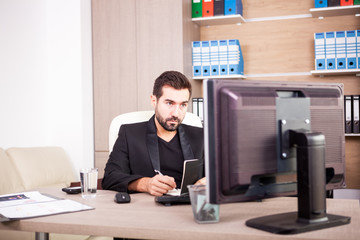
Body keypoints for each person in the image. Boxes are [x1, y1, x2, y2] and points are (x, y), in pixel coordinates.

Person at [102, 71, 204, 196]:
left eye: (183, 105)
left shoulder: (201, 136)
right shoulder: (129, 134)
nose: (176, 113)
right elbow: (110, 178)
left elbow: (225, 175)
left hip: (189, 209)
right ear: (154, 100)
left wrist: (212, 181)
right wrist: (145, 184)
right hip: (147, 209)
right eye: (169, 103)